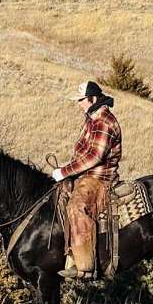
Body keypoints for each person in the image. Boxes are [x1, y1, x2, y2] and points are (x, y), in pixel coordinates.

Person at [52, 81, 122, 279]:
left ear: (92, 99)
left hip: (99, 178)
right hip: (85, 175)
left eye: (81, 100)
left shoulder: (104, 121)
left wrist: (65, 171)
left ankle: (84, 265)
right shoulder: (92, 119)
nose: (79, 104)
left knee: (77, 207)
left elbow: (94, 157)